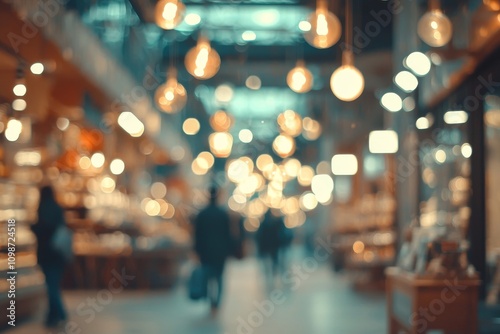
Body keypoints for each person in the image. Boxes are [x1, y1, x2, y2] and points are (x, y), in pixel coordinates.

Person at [31, 185, 68, 328]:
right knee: (53, 284)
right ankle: (52, 314)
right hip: (58, 254)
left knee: (51, 286)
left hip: (47, 254)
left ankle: (59, 312)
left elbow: (44, 229)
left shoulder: (43, 208)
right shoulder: (57, 208)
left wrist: (33, 227)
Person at [193, 186, 232, 315]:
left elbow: (197, 235)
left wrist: (197, 250)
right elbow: (228, 234)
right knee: (219, 278)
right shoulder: (222, 214)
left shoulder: (202, 214)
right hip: (220, 252)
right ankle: (217, 303)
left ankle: (211, 301)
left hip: (206, 252)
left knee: (208, 277)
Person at [256, 210, 287, 289]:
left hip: (267, 249)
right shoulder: (274, 224)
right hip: (273, 249)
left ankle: (270, 280)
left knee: (268, 266)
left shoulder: (264, 225)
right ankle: (274, 279)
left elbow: (259, 238)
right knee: (275, 265)